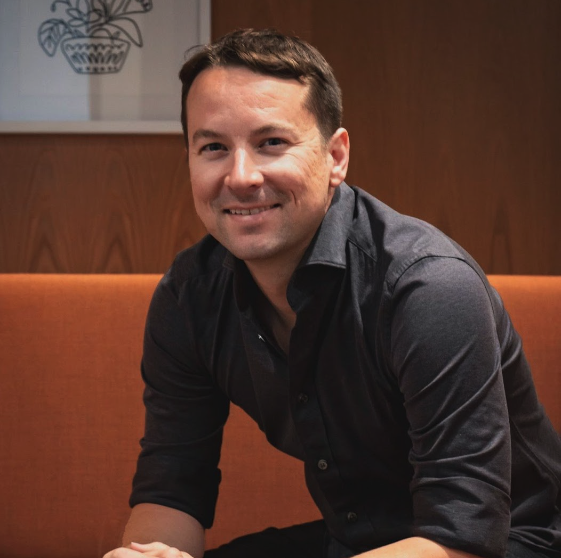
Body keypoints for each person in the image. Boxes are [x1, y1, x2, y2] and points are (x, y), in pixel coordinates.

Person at [104, 29, 561, 558]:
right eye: (213, 148)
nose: (241, 176)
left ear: (336, 156)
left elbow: (464, 533)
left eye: (271, 143)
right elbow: (171, 484)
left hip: (511, 543)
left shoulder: (427, 286)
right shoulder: (189, 295)